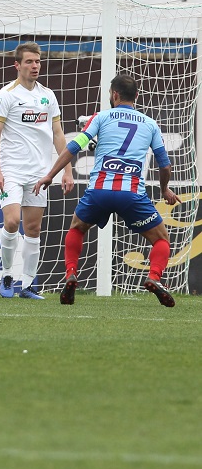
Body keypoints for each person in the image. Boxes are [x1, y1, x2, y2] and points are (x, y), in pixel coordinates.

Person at [34, 74, 180, 307]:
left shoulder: (101, 117)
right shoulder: (150, 124)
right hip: (131, 194)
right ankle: (153, 277)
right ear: (137, 96)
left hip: (99, 191)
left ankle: (71, 273)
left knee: (77, 228)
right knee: (161, 240)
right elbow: (164, 164)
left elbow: (74, 146)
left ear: (114, 95)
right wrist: (164, 190)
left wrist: (50, 175)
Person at [0, 42, 74, 300]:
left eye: (37, 61)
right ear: (17, 65)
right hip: (12, 171)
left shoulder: (47, 95)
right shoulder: (6, 95)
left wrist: (67, 169)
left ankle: (27, 285)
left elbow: (58, 134)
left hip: (40, 173)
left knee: (34, 229)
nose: (35, 66)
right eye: (29, 62)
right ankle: (6, 275)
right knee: (12, 221)